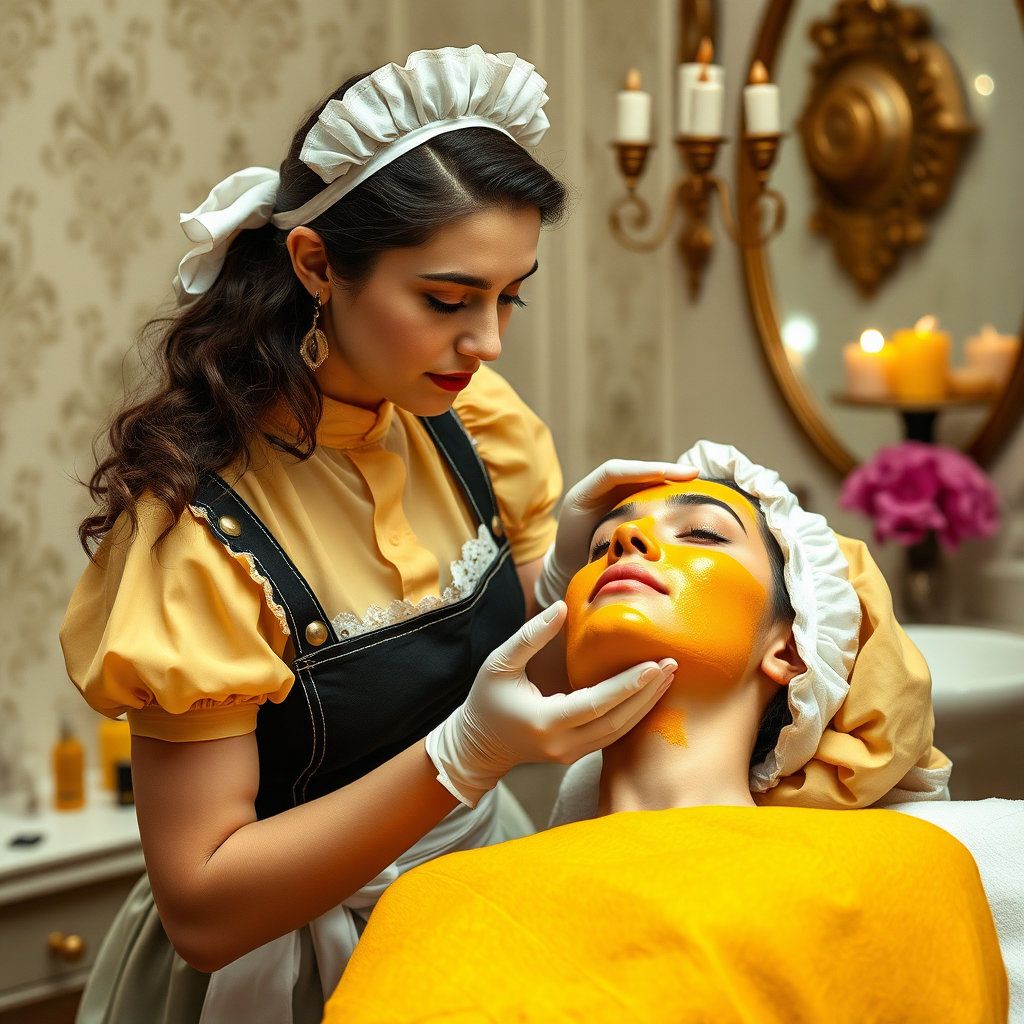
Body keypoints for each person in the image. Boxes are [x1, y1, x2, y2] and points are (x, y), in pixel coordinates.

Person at [60, 48, 693, 1024]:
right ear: (317, 263)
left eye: (507, 294)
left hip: (477, 918)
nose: (486, 342)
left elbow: (536, 678)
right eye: (447, 300)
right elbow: (203, 906)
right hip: (283, 969)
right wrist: (457, 761)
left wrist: (572, 576)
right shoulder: (198, 532)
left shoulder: (478, 427)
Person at [325, 443, 1006, 1024]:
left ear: (794, 652)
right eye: (599, 546)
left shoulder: (908, 869)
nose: (623, 541)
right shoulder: (431, 903)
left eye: (704, 533)